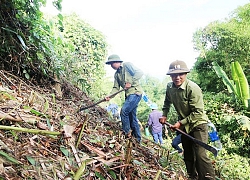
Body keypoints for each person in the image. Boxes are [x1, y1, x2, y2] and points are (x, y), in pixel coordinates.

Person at [159, 60, 216, 180]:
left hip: (198, 124)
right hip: (184, 126)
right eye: (174, 75)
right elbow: (167, 103)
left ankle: (208, 178)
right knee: (188, 153)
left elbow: (198, 112)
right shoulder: (170, 87)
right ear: (170, 76)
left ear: (186, 74)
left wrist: (180, 123)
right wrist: (164, 115)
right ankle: (192, 176)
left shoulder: (193, 88)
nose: (177, 77)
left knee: (200, 154)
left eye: (180, 74)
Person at [105, 54, 143, 143]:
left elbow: (140, 72)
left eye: (111, 63)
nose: (111, 66)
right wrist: (109, 96)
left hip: (135, 93)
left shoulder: (127, 65)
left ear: (116, 62)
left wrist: (130, 82)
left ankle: (127, 133)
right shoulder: (116, 74)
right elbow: (115, 88)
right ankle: (138, 139)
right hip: (129, 96)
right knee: (132, 117)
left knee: (124, 111)